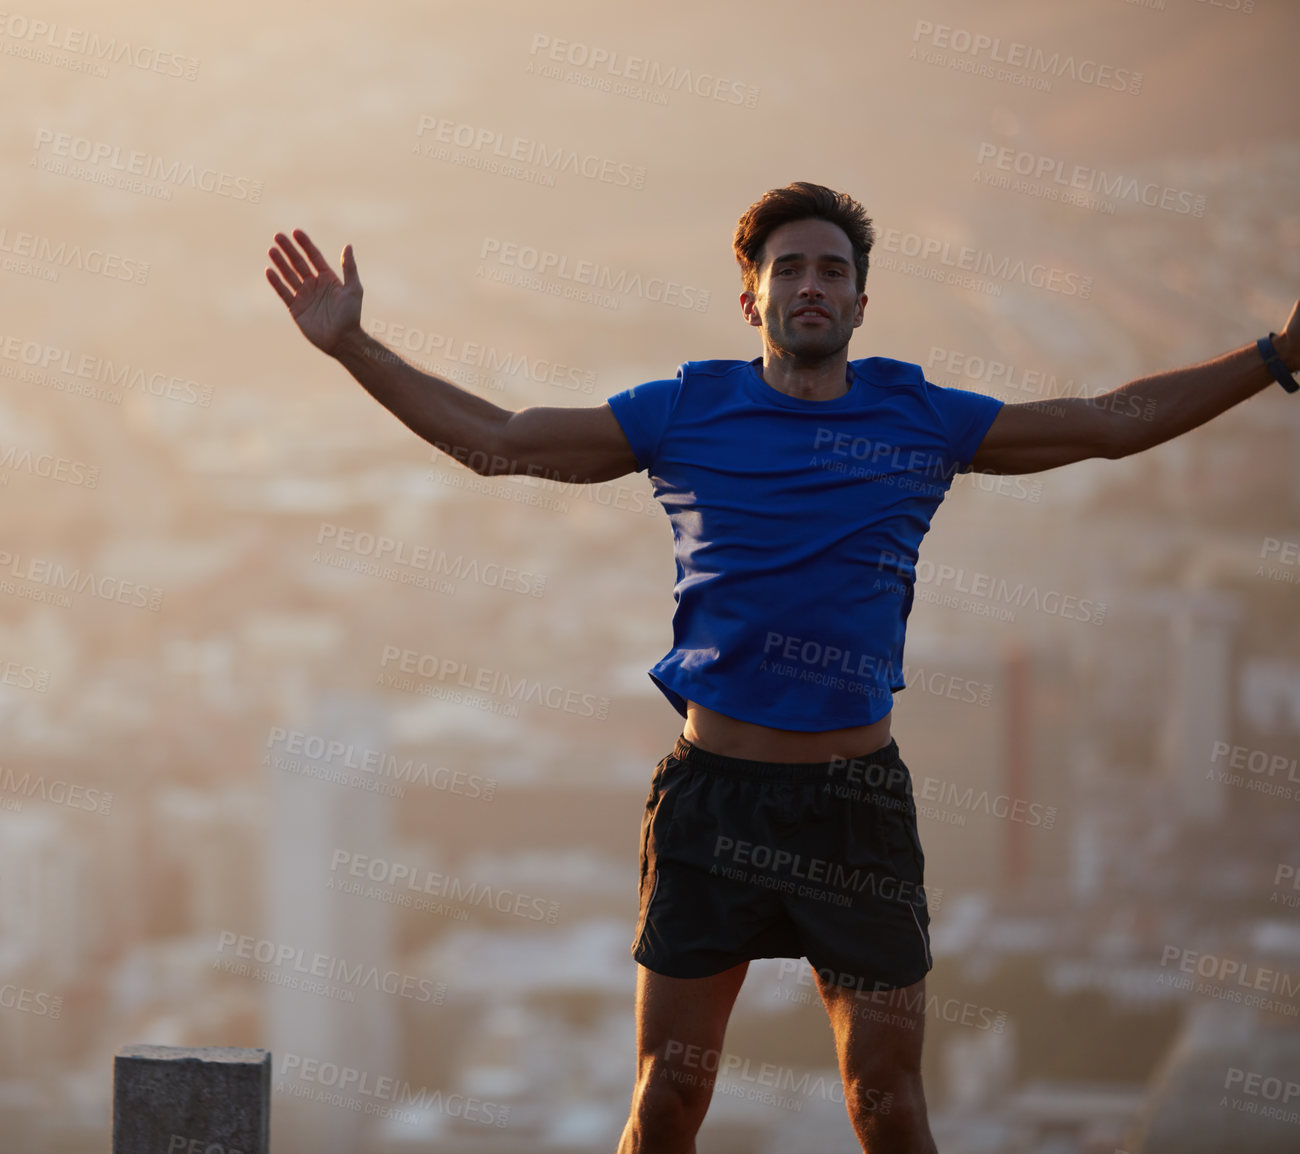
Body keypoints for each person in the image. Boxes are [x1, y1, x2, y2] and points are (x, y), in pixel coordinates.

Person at [266, 185, 1300, 1152]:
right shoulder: (684, 409)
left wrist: (1274, 354)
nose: (813, 283)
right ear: (750, 294)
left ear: (859, 298)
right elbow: (497, 439)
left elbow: (1108, 425)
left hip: (855, 802)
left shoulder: (918, 416)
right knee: (669, 1095)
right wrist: (352, 345)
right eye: (791, 266)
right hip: (713, 800)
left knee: (886, 1099)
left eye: (834, 270)